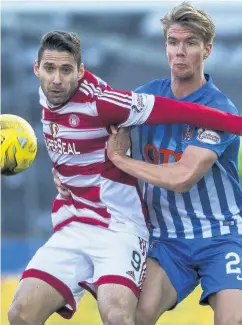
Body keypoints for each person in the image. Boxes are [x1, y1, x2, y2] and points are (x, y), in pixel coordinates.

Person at [8, 29, 242, 325]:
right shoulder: (48, 96)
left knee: (122, 314)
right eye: (49, 69)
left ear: (80, 71)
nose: (56, 79)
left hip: (146, 228)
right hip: (100, 226)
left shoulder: (107, 101)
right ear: (36, 69)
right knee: (20, 314)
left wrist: (238, 124)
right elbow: (80, 145)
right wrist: (66, 173)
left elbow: (182, 162)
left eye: (66, 70)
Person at [106, 3, 242, 325]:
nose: (180, 51)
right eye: (173, 42)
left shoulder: (218, 109)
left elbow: (183, 176)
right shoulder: (145, 98)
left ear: (206, 50)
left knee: (232, 321)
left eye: (190, 43)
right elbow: (103, 130)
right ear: (165, 46)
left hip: (222, 236)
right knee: (135, 315)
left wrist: (120, 159)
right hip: (167, 242)